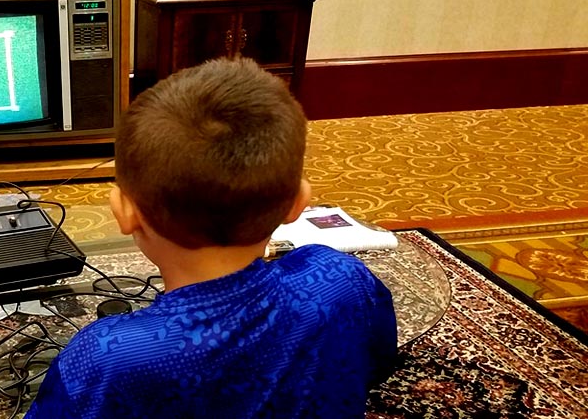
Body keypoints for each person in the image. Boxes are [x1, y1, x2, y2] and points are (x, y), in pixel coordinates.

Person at [25, 58, 397, 418]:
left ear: (123, 211)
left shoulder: (106, 356)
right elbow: (375, 362)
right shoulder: (341, 278)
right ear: (298, 203)